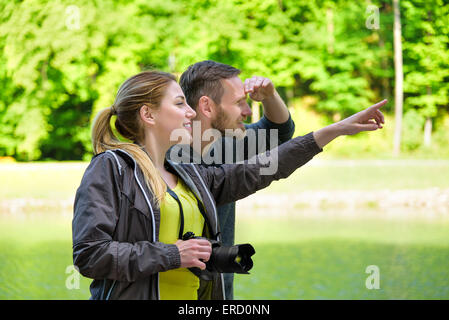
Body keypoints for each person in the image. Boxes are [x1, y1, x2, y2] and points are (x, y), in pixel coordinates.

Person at [72, 70, 386, 300]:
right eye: (180, 104)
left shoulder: (188, 174)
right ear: (148, 114)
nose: (190, 113)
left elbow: (261, 169)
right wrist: (172, 255)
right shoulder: (111, 168)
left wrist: (335, 130)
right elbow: (90, 255)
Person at [172, 60, 296, 299]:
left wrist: (270, 95)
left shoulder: (230, 144)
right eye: (240, 103)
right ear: (207, 107)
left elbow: (280, 132)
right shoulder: (165, 157)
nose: (248, 111)